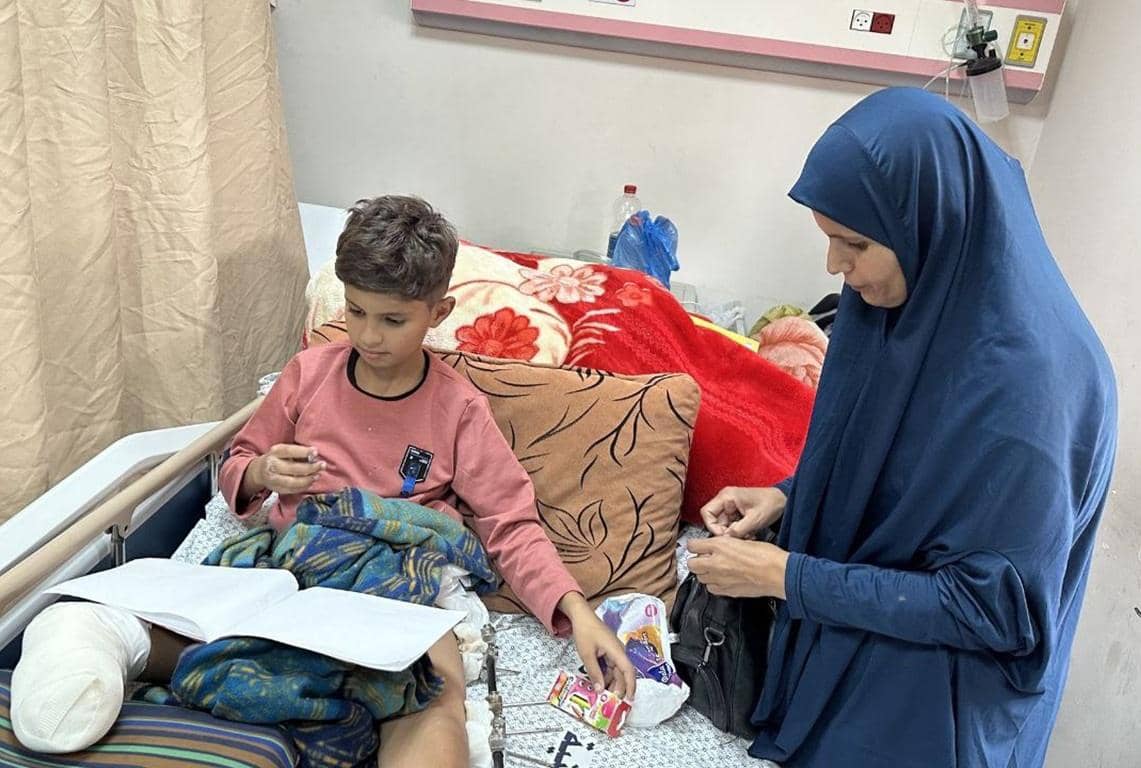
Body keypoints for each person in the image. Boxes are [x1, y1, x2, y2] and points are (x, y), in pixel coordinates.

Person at [12, 195, 635, 767]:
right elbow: (240, 462)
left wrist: (576, 612)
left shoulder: (459, 410)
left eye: (392, 320)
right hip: (292, 571)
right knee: (157, 623)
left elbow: (509, 525)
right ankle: (93, 645)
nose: (367, 336)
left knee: (431, 691)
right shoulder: (309, 373)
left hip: (398, 579)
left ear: (437, 313)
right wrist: (259, 471)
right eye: (355, 310)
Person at [688, 88, 1117, 768]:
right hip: (857, 649)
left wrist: (788, 578)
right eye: (827, 239)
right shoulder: (908, 312)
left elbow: (993, 612)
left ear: (929, 221)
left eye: (853, 243)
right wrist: (792, 496)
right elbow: (906, 470)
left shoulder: (1030, 389)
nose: (834, 267)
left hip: (932, 709)